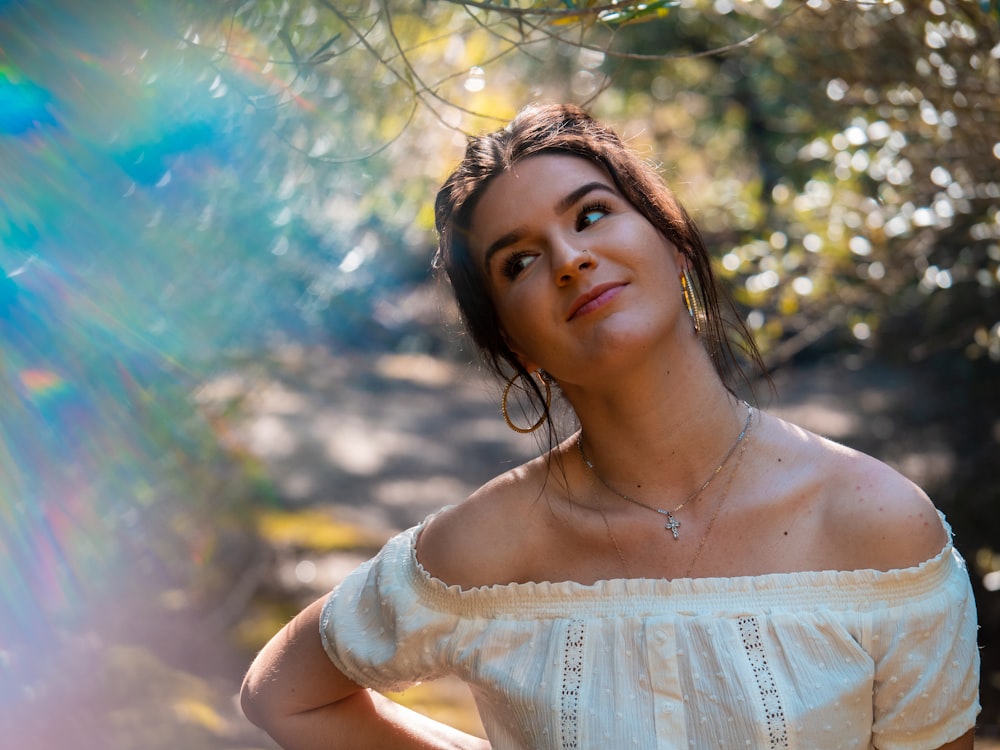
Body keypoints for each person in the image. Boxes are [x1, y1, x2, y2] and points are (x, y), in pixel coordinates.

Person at [240, 104, 980, 749]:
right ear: (513, 341)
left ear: (675, 243)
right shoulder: (488, 546)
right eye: (520, 261)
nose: (570, 259)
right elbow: (285, 694)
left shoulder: (882, 532)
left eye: (591, 214)